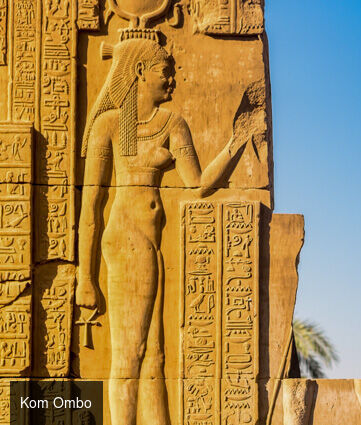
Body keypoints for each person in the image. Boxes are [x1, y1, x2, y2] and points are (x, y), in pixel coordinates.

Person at [76, 35, 246, 425]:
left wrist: (236, 143)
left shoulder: (173, 123)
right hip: (125, 239)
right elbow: (91, 207)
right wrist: (85, 278)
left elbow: (197, 184)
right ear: (140, 71)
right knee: (130, 353)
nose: (172, 80)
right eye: (165, 71)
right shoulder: (109, 124)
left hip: (150, 242)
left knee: (154, 356)